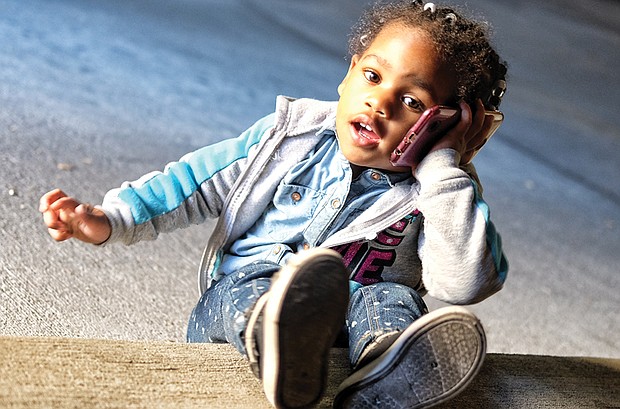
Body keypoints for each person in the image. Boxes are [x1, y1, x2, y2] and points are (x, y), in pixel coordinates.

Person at [39, 0, 508, 407]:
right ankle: (274, 337)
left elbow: (464, 282)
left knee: (394, 297)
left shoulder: (444, 194)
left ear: (446, 125)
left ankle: (385, 375)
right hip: (238, 314)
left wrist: (444, 167)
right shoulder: (289, 140)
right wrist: (112, 218)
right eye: (372, 76)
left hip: (349, 343)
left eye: (410, 100)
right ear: (348, 75)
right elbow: (193, 182)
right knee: (251, 280)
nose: (379, 102)